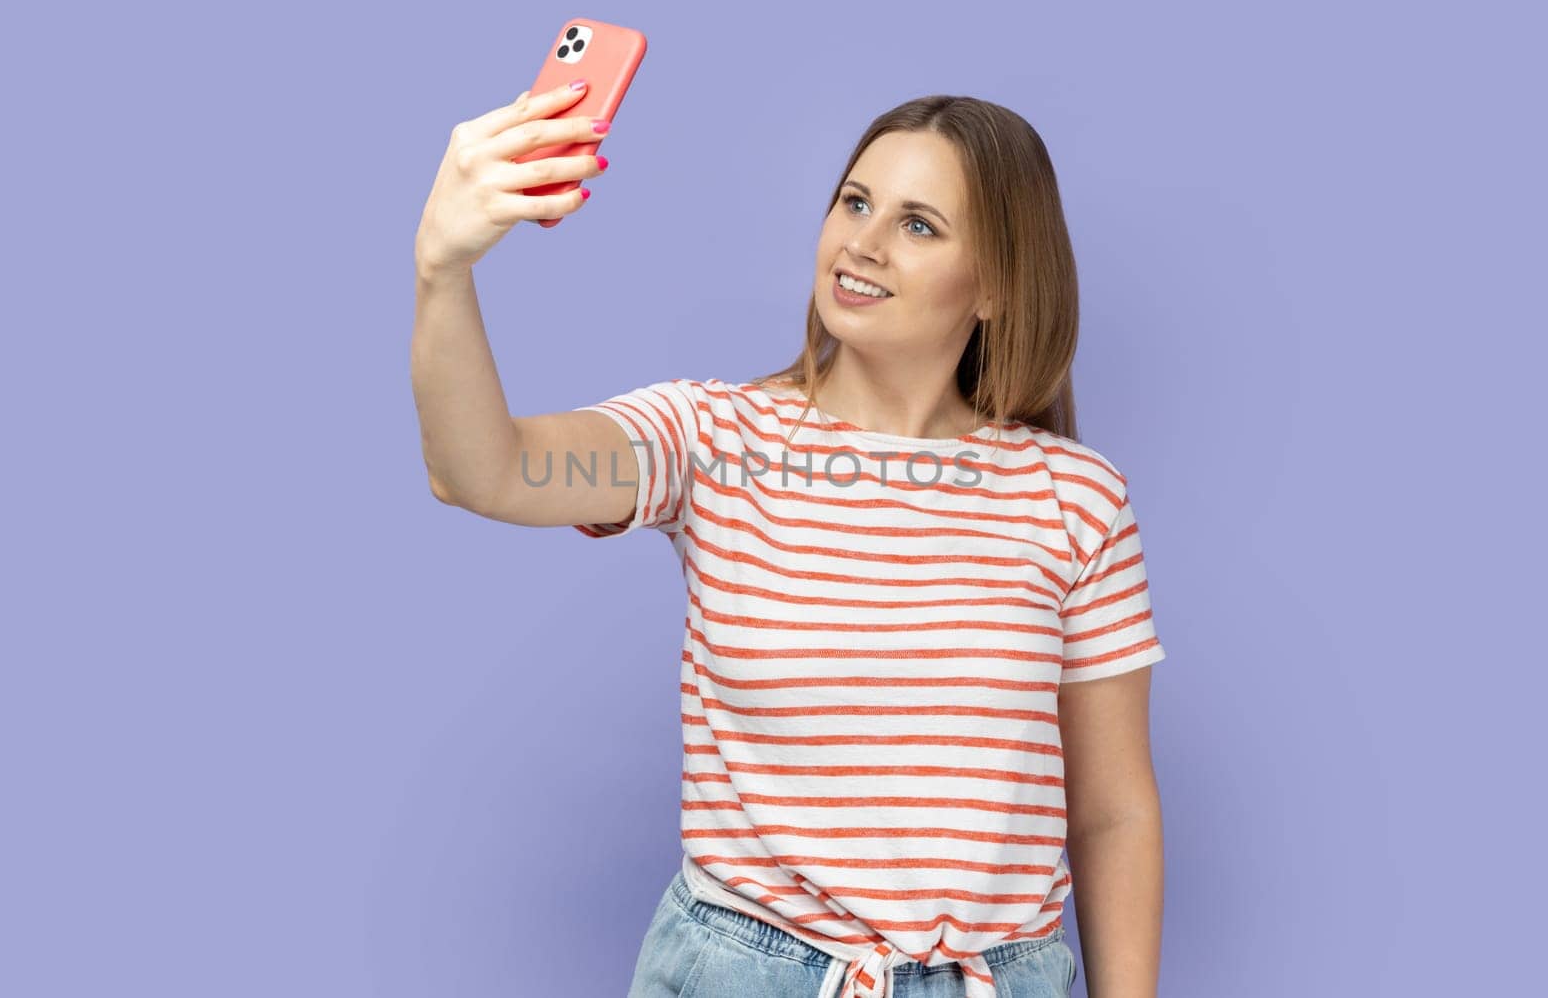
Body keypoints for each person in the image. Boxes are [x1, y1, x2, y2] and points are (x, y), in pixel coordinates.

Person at [411, 84, 1166, 998]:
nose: (863, 242)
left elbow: (1114, 809)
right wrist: (443, 271)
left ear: (1000, 286)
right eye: (855, 202)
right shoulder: (713, 440)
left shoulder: (1075, 499)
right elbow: (485, 471)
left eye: (918, 224)